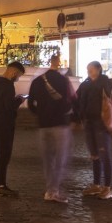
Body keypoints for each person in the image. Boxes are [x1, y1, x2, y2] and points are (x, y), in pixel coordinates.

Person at [27, 54, 76, 203]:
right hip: (60, 124)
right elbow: (71, 101)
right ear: (58, 63)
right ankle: (54, 191)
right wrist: (69, 116)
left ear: (49, 63)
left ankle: (50, 190)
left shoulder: (37, 81)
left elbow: (30, 103)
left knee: (48, 160)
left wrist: (41, 114)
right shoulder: (63, 81)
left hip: (43, 125)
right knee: (60, 160)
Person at [74, 61, 112, 200]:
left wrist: (101, 81)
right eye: (87, 69)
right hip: (88, 122)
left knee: (105, 154)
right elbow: (76, 97)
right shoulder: (85, 83)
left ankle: (108, 187)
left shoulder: (104, 82)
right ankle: (96, 184)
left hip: (101, 122)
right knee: (94, 155)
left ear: (99, 69)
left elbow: (110, 93)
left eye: (91, 69)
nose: (88, 71)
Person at [0, 61, 26, 197]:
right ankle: (2, 185)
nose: (18, 78)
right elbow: (9, 106)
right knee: (4, 154)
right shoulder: (8, 86)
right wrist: (19, 100)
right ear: (14, 72)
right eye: (19, 76)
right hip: (5, 123)